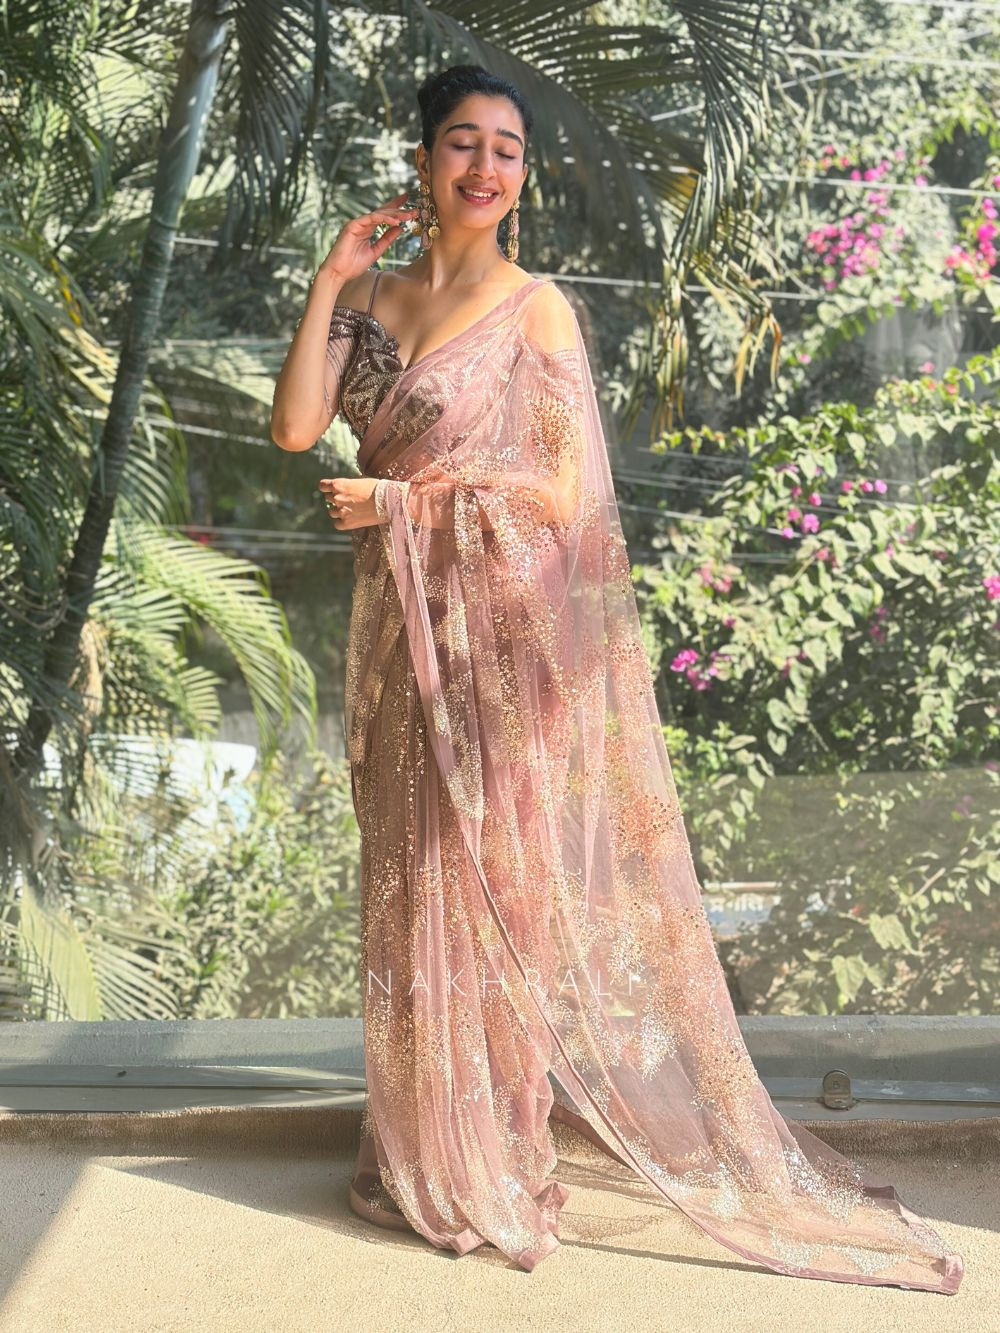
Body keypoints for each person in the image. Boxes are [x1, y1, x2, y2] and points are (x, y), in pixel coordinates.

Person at [270, 64, 964, 1292]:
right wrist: (329, 277)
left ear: (521, 177)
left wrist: (404, 502)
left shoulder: (535, 311)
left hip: (496, 648)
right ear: (421, 159)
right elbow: (293, 426)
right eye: (462, 143)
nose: (485, 167)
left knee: (487, 888)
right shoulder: (370, 295)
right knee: (407, 881)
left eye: (507, 150)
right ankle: (422, 1144)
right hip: (396, 634)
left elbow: (560, 496)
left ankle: (489, 1155)